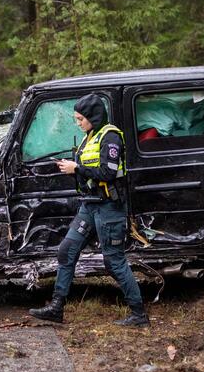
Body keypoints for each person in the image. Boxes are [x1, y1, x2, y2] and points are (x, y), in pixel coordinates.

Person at [29, 93, 149, 327]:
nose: (77, 123)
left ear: (93, 116)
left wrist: (77, 169)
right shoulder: (90, 136)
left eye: (80, 118)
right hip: (89, 206)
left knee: (113, 262)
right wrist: (71, 166)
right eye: (76, 119)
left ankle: (139, 315)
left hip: (109, 208)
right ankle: (56, 307)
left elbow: (108, 173)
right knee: (66, 251)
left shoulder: (111, 137)